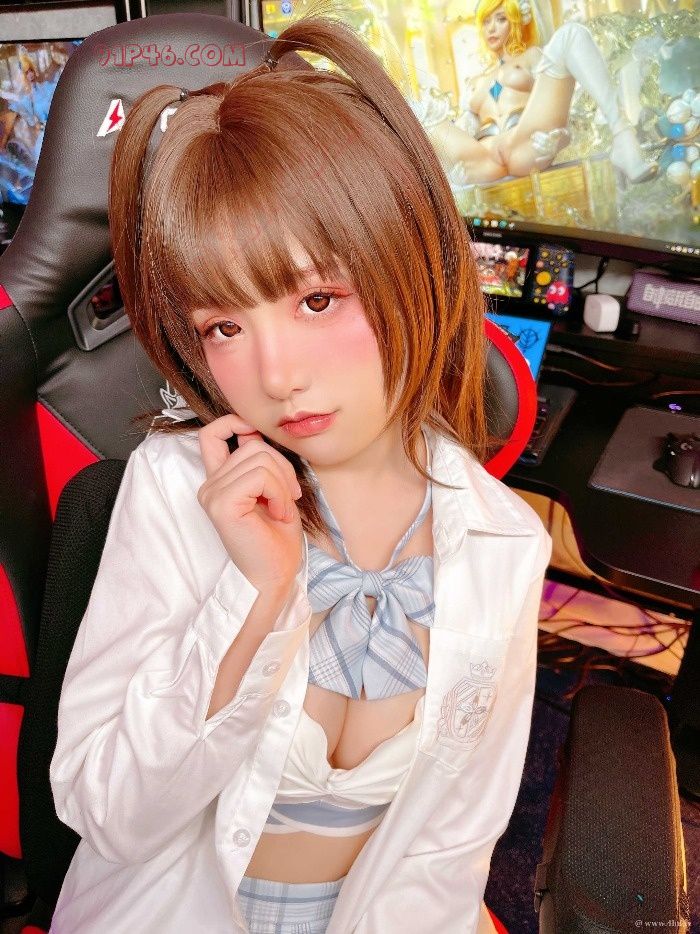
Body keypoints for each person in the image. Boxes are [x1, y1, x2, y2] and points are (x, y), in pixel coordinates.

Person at [48, 10, 552, 934]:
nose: (275, 375)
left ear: (413, 264)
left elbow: (448, 852)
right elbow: (106, 814)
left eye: (318, 299)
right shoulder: (173, 493)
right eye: (223, 326)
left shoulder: (506, 544)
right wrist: (254, 598)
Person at [411, 0, 657, 185]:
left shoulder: (532, 57)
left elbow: (568, 109)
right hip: (482, 160)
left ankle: (623, 137)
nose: (491, 28)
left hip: (525, 144)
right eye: (486, 22)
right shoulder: (475, 81)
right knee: (415, 110)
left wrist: (561, 140)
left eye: (500, 19)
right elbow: (464, 130)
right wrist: (445, 162)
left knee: (571, 34)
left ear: (516, 21)